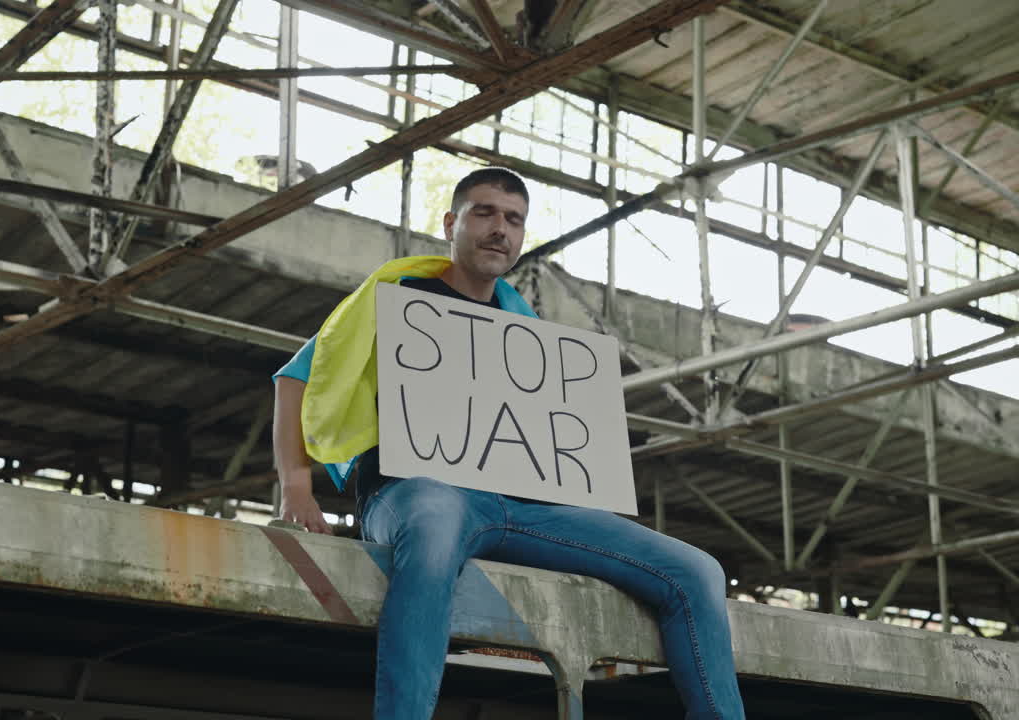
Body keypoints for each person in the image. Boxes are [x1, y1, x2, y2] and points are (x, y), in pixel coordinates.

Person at [272, 167, 747, 720]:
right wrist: (296, 487)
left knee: (697, 572)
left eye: (513, 220)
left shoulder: (525, 326)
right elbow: (295, 377)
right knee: (433, 525)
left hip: (522, 507)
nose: (500, 228)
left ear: (522, 237)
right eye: (484, 213)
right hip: (413, 492)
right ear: (451, 223)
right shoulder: (394, 298)